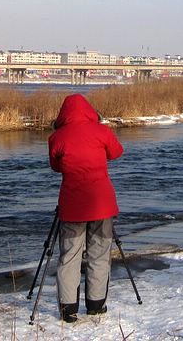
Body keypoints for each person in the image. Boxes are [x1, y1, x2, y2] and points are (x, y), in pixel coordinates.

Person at [48, 94, 124, 323]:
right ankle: (96, 305)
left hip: (72, 207)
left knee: (69, 256)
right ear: (90, 111)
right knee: (99, 254)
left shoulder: (57, 137)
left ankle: (68, 310)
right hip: (102, 204)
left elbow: (56, 167)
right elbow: (117, 152)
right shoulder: (102, 132)